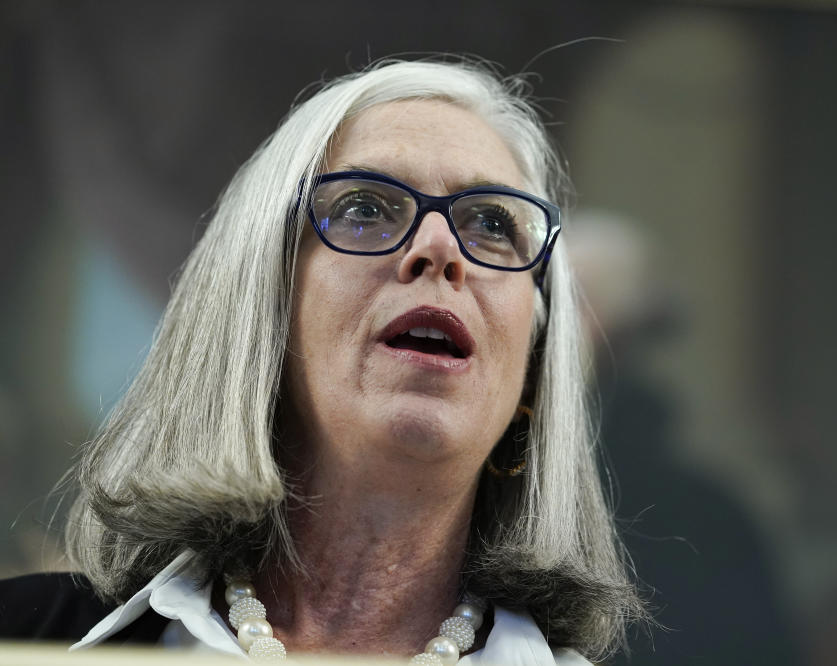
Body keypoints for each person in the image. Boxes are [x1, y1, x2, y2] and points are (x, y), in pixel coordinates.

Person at [0, 58, 645, 664]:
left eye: (493, 225)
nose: (440, 248)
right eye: (366, 208)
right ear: (262, 308)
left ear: (532, 362)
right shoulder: (27, 636)